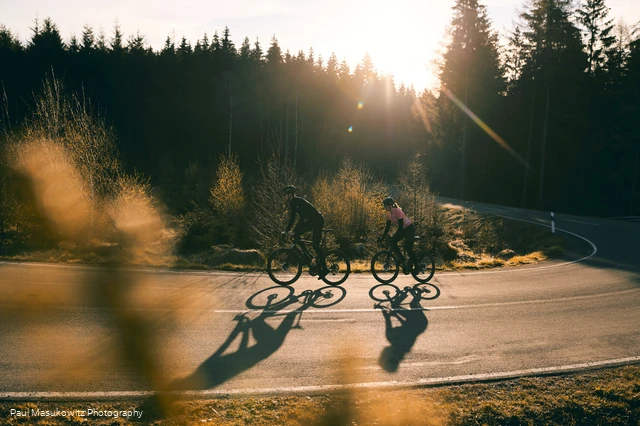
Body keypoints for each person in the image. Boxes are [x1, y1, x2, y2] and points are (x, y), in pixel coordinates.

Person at [282, 185, 328, 279]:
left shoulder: (298, 202)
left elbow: (301, 219)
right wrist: (287, 231)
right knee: (296, 236)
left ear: (290, 195)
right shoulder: (293, 203)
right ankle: (310, 258)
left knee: (315, 245)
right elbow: (292, 218)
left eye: (285, 194)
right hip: (311, 221)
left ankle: (325, 268)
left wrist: (294, 231)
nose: (284, 196)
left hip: (317, 220)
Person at [378, 197, 416, 274]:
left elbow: (401, 227)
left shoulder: (397, 211)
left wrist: (395, 236)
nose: (384, 207)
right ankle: (402, 259)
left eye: (385, 205)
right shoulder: (388, 214)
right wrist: (382, 237)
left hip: (409, 228)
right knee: (393, 242)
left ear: (390, 205)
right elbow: (387, 227)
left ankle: (417, 266)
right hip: (403, 229)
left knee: (408, 248)